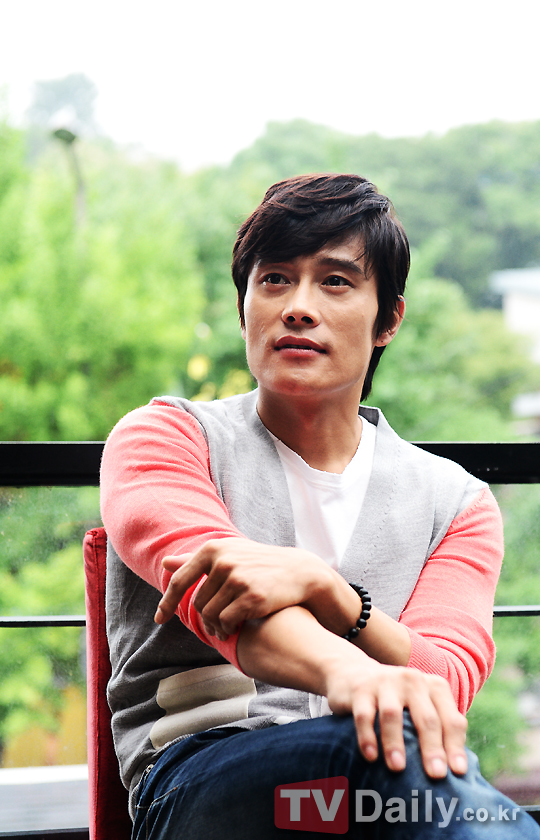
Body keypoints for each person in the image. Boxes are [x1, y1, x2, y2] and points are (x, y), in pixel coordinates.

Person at [100, 173, 540, 838]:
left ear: (388, 319)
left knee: (409, 783)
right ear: (244, 306)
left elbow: (445, 680)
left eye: (335, 282)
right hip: (202, 787)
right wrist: (354, 674)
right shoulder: (165, 438)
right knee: (394, 771)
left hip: (373, 791)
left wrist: (335, 596)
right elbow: (225, 599)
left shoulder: (456, 503)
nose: (298, 307)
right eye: (275, 279)